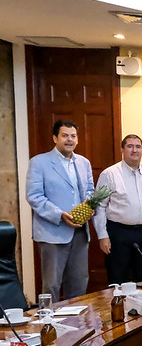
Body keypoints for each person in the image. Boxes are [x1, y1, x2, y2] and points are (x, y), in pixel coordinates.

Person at [25, 120, 95, 299]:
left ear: (77, 140)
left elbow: (89, 190)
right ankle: (49, 325)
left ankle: (78, 326)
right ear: (55, 138)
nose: (69, 140)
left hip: (80, 233)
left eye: (73, 136)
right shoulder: (39, 162)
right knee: (52, 285)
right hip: (52, 233)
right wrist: (59, 214)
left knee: (79, 283)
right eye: (65, 135)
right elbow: (34, 196)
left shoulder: (84, 162)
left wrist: (89, 206)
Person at [94, 134, 142, 285]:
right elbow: (99, 206)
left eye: (138, 146)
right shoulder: (109, 174)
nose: (134, 150)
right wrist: (102, 236)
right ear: (122, 150)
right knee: (118, 278)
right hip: (118, 233)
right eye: (130, 146)